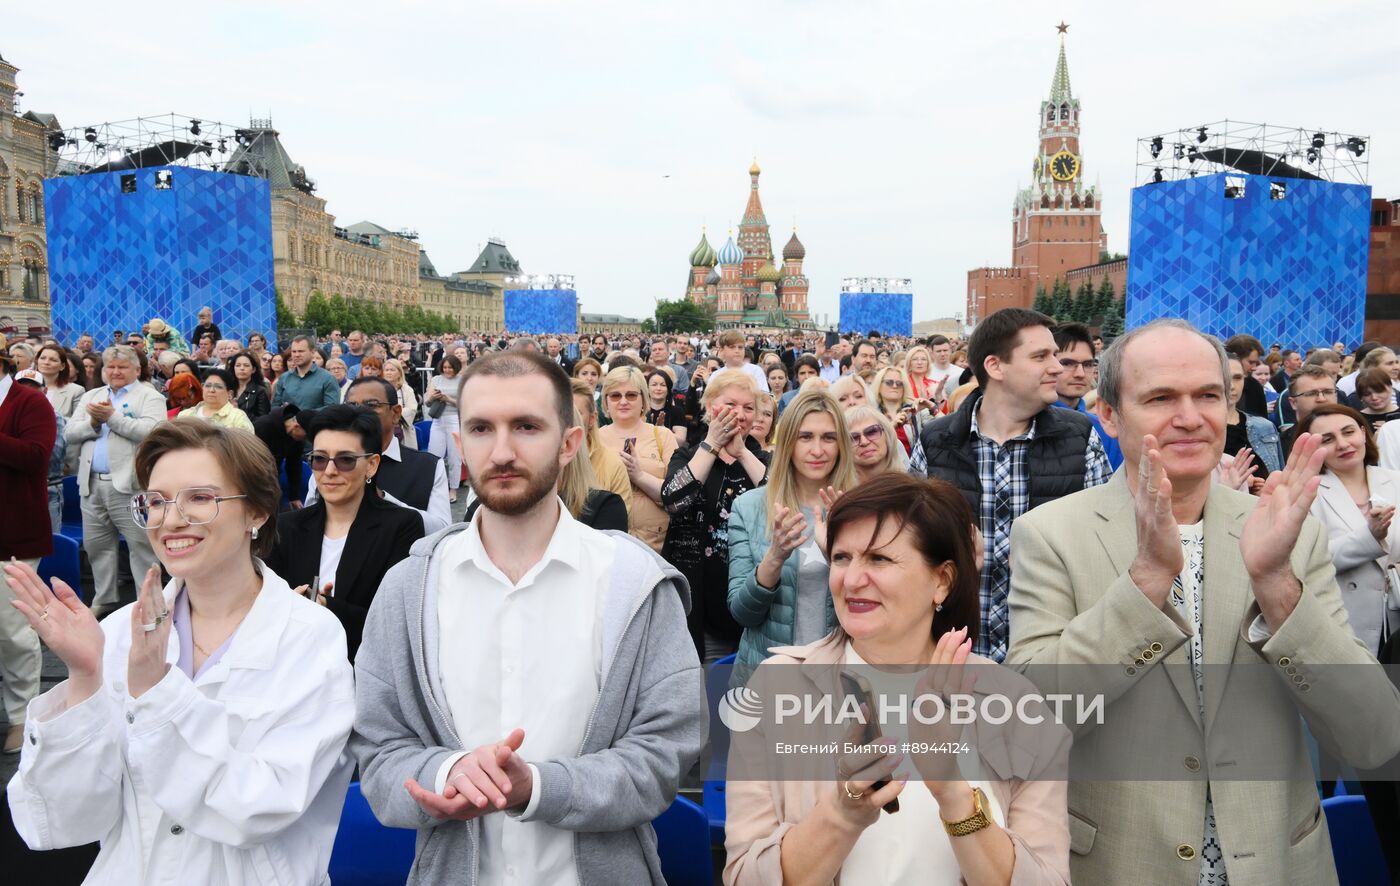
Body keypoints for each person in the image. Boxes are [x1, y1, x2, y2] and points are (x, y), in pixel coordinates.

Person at [1007, 318, 1400, 886]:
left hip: (1279, 860)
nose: (1189, 417)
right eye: (1161, 397)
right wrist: (1144, 584)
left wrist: (1277, 591)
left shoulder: (1289, 533)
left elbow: (1372, 734)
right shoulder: (1051, 534)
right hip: (1123, 865)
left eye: (1208, 396)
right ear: (1111, 415)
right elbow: (1034, 721)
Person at [350, 349, 706, 886]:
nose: (502, 450)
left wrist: (538, 788)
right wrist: (447, 774)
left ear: (569, 443)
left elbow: (664, 756)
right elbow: (378, 752)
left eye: (526, 426)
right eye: (480, 428)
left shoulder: (634, 585)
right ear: (460, 442)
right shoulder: (408, 589)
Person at [5, 420, 355, 883]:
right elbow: (59, 822)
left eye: (200, 498)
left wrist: (159, 693)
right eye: (155, 501)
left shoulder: (310, 635)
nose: (170, 519)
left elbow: (258, 808)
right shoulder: (117, 633)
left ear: (257, 512)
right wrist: (85, 680)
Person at [724, 473, 1071, 885]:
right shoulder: (777, 686)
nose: (851, 580)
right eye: (841, 557)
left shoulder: (1016, 704)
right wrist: (843, 813)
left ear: (941, 580)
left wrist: (952, 790)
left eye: (879, 559)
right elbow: (743, 877)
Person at [913, 308, 1111, 662]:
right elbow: (911, 549)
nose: (1056, 367)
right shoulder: (937, 442)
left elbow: (1105, 551)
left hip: (1051, 661)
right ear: (995, 366)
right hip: (955, 661)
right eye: (1041, 356)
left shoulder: (1080, 440)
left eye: (1054, 355)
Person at [265, 405, 423, 661]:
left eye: (345, 460)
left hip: (362, 669)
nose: (329, 471)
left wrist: (327, 607)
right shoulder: (287, 526)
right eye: (319, 459)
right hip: (294, 666)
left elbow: (395, 622)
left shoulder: (400, 525)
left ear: (371, 465)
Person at [726, 390, 856, 688]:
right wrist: (775, 556)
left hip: (841, 678)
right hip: (766, 676)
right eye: (805, 437)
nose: (817, 449)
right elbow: (743, 612)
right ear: (787, 443)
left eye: (829, 438)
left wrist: (837, 555)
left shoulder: (860, 507)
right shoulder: (749, 508)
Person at [662, 371, 770, 661]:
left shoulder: (765, 460)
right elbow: (673, 500)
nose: (740, 414)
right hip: (698, 602)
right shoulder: (687, 456)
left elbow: (783, 500)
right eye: (731, 405)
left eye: (749, 408)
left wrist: (743, 454)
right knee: (708, 694)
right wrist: (712, 446)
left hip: (755, 601)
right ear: (711, 407)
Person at [67, 345, 167, 618]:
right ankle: (105, 599)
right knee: (97, 547)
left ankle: (149, 604)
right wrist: (94, 424)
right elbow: (70, 433)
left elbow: (152, 433)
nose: (115, 372)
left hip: (132, 487)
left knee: (142, 548)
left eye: (122, 367)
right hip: (91, 484)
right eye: (110, 367)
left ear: (137, 370)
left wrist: (112, 418)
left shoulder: (150, 397)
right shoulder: (92, 395)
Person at [0, 349, 56, 753]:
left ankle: (21, 716)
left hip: (12, 533)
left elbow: (36, 457)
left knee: (12, 632)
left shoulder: (29, 401)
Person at [319, 377, 454, 534]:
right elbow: (312, 521)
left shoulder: (427, 467)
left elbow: (442, 530)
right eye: (352, 405)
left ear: (396, 413)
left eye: (371, 405)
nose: (359, 412)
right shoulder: (327, 464)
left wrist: (383, 499)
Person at [597, 366, 679, 552]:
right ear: (605, 402)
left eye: (631, 395)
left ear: (643, 399)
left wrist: (639, 475)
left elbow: (676, 494)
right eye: (615, 396)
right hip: (607, 546)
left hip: (658, 547)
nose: (623, 401)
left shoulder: (663, 436)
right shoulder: (594, 439)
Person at [1050, 323, 1124, 471]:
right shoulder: (1023, 426)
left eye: (1088, 364)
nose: (1080, 373)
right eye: (1067, 363)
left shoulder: (1105, 430)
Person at [571, 378, 634, 520]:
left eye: (576, 414)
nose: (569, 419)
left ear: (592, 419)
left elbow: (618, 525)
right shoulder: (539, 461)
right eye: (562, 412)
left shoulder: (612, 466)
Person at [1223, 356, 1283, 482]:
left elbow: (1279, 476)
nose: (1232, 386)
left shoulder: (1264, 427)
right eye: (1224, 378)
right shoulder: (1198, 428)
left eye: (1238, 378)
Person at [252, 404, 314, 507]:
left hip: (272, 480)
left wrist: (294, 496)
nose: (305, 440)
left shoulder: (296, 439)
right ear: (296, 426)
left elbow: (294, 465)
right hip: (252, 477)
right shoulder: (263, 426)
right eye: (306, 436)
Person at [426, 354, 463, 503]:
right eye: (445, 367)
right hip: (437, 420)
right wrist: (433, 397)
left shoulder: (462, 381)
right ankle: (434, 487)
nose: (447, 370)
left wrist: (448, 399)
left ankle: (453, 488)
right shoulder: (435, 380)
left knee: (455, 458)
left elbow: (463, 404)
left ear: (456, 368)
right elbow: (427, 403)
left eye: (450, 367)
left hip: (454, 420)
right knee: (434, 456)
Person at [271, 335, 341, 413]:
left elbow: (332, 409)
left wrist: (303, 416)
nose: (297, 355)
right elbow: (275, 407)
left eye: (301, 351)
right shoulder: (284, 378)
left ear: (312, 352)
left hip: (316, 424)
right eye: (294, 351)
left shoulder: (328, 378)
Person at [178, 367, 254, 432]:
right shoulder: (185, 415)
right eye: (207, 386)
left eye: (218, 387)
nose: (211, 390)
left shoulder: (238, 418)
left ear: (230, 394)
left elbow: (246, 447)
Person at [843, 403, 907, 482]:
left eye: (872, 432)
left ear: (887, 436)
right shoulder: (838, 493)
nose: (864, 442)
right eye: (854, 438)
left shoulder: (912, 488)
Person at [871, 365, 917, 455]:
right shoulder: (871, 413)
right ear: (879, 386)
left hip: (910, 466)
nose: (895, 386)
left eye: (899, 383)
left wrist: (933, 408)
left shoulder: (914, 411)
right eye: (889, 382)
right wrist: (892, 425)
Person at [710, 329, 772, 394]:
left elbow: (764, 398)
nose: (737, 351)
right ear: (722, 350)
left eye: (740, 347)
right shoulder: (716, 376)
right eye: (732, 347)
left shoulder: (755, 371)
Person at [1223, 333, 1269, 418]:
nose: (1254, 367)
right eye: (1251, 362)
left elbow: (1262, 422)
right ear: (1235, 356)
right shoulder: (1213, 382)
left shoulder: (1254, 386)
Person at [35, 343, 85, 420]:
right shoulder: (25, 388)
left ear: (62, 366)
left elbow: (77, 423)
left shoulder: (76, 391)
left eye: (53, 360)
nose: (46, 362)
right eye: (43, 358)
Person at [644, 366, 688, 449]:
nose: (658, 388)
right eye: (654, 385)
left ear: (668, 389)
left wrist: (663, 430)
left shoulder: (677, 411)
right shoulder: (640, 411)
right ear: (647, 388)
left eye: (663, 385)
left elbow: (681, 441)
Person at [381, 357, 420, 448]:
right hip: (384, 430)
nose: (389, 372)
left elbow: (412, 409)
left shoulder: (407, 390)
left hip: (403, 431)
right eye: (386, 370)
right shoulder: (378, 389)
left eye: (392, 370)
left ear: (399, 373)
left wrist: (392, 413)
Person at [227, 349, 271, 422]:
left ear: (253, 369)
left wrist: (238, 412)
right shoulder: (227, 389)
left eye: (246, 365)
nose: (242, 368)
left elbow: (264, 420)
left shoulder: (260, 391)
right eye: (238, 365)